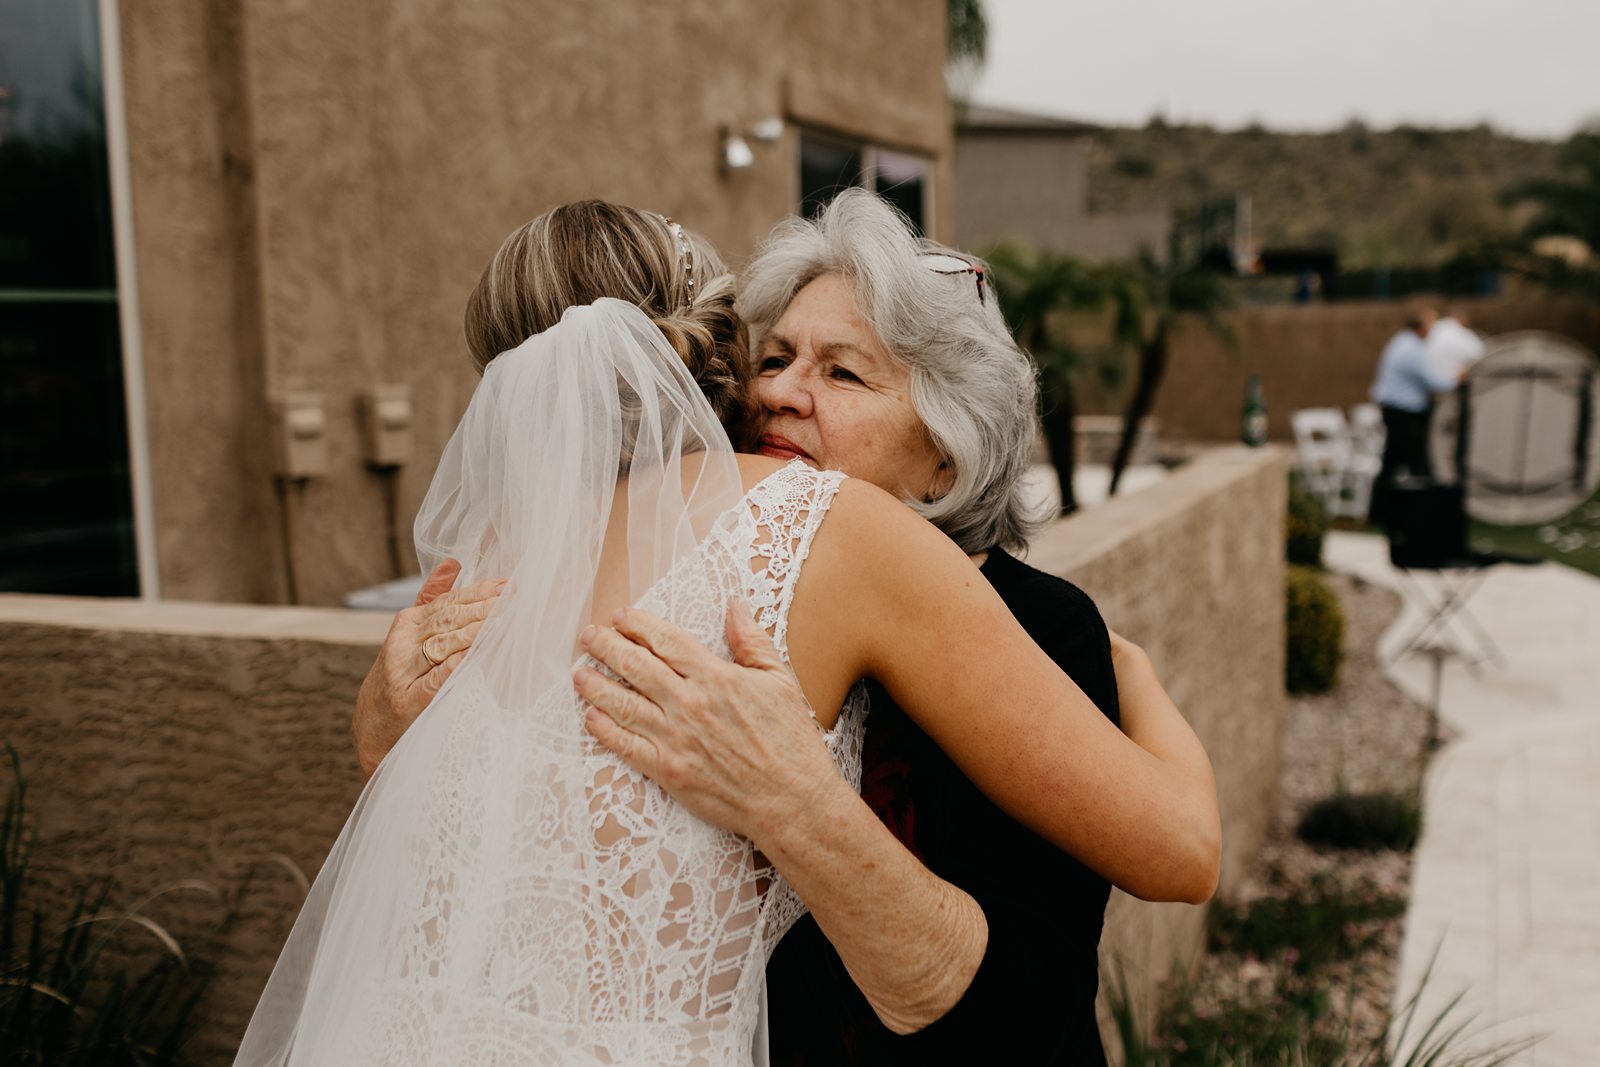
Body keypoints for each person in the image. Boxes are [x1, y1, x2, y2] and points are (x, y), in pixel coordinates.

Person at [351, 191, 1219, 1063]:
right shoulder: (666, 570)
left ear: (943, 457)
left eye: (843, 374)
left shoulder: (1039, 622)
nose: (780, 392)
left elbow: (1054, 978)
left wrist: (798, 802)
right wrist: (387, 722)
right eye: (773, 358)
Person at [1368, 300, 1455, 526]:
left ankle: (1385, 513)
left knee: (1396, 462)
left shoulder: (1401, 342)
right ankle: (1417, 513)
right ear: (1422, 326)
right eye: (1432, 324)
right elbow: (1436, 382)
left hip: (1398, 411)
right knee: (1414, 463)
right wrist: (1458, 377)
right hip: (1403, 414)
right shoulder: (1412, 349)